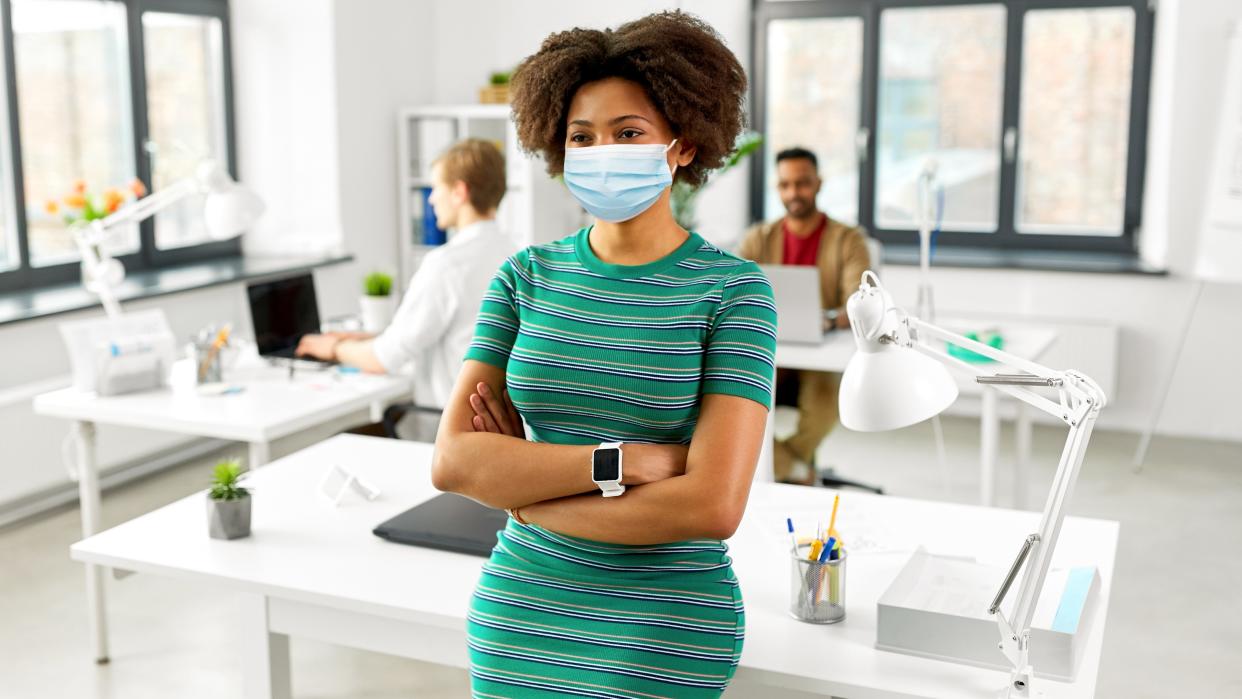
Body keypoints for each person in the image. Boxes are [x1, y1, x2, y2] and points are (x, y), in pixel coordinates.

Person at [431, 12, 775, 697]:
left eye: (629, 133)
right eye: (581, 137)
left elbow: (711, 506)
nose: (601, 151)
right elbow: (454, 460)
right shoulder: (523, 277)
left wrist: (526, 499)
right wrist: (617, 462)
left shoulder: (734, 291)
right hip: (521, 609)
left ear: (681, 145)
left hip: (664, 621)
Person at [296, 139, 515, 416]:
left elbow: (383, 358)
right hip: (495, 421)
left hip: (447, 423)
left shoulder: (446, 264)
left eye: (437, 188)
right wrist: (363, 338)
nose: (432, 198)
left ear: (459, 192)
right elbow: (449, 332)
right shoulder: (513, 254)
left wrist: (334, 347)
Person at [737, 147, 871, 485]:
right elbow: (736, 293)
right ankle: (796, 470)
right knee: (732, 397)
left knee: (826, 403)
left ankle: (783, 466)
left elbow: (860, 301)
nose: (793, 193)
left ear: (819, 183)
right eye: (785, 185)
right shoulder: (758, 239)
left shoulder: (848, 239)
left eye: (802, 183)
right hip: (770, 350)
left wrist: (824, 320)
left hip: (818, 356)